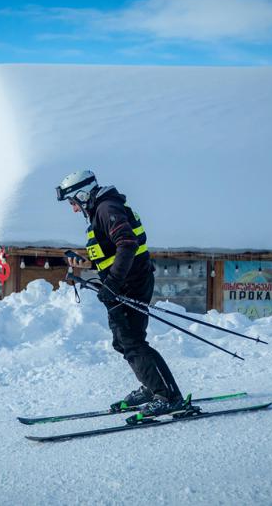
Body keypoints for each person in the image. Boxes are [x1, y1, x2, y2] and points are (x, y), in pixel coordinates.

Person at [56, 170, 185, 417]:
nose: (74, 209)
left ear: (83, 195)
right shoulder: (101, 210)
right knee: (123, 342)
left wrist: (113, 283)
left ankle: (168, 396)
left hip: (131, 283)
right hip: (124, 283)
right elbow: (112, 255)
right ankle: (152, 386)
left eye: (73, 203)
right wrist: (86, 263)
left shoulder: (107, 208)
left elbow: (127, 244)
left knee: (133, 342)